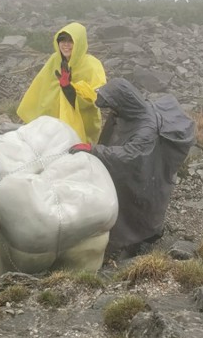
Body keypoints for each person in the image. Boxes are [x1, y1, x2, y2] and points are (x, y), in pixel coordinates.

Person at [69, 78, 195, 258]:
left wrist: (93, 150)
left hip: (148, 174)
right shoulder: (129, 112)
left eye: (114, 107)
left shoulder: (146, 128)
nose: (112, 111)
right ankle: (146, 233)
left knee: (138, 204)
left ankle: (138, 241)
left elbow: (129, 155)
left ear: (124, 103)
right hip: (143, 168)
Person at [17, 22, 107, 143]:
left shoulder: (91, 65)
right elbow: (41, 88)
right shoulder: (55, 60)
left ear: (79, 42)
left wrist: (69, 88)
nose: (66, 45)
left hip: (83, 124)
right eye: (62, 40)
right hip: (54, 123)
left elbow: (96, 97)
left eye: (70, 41)